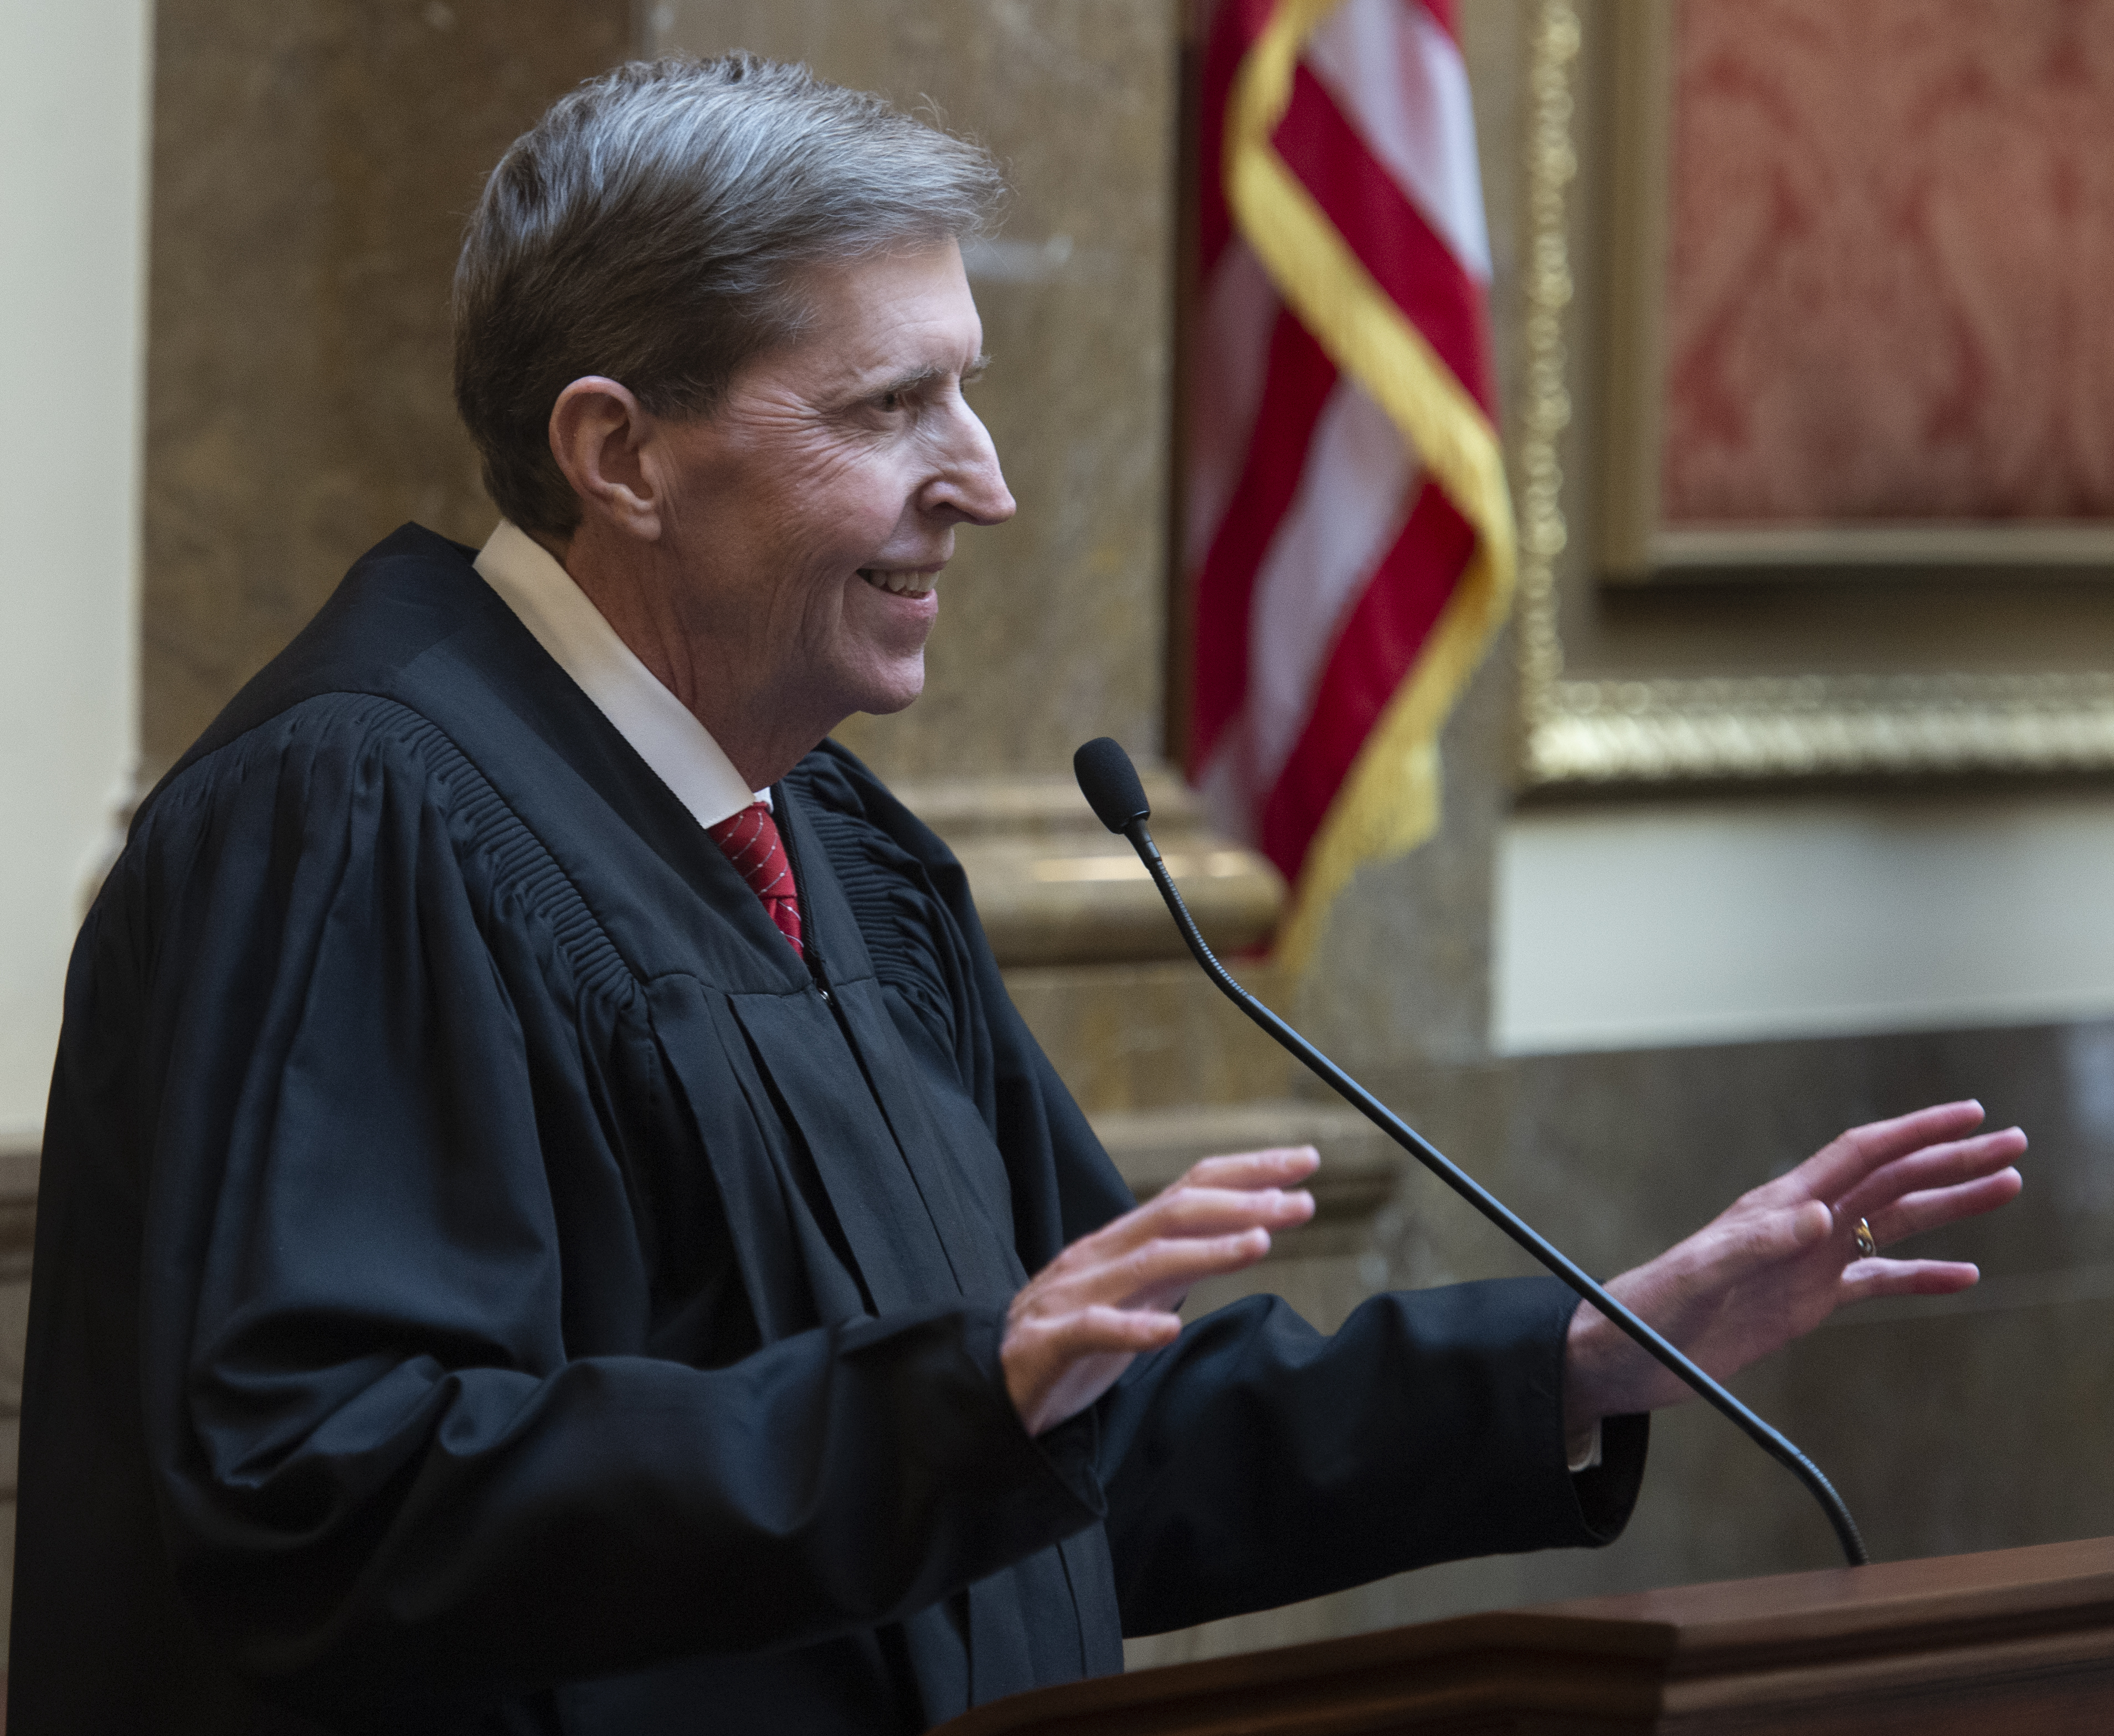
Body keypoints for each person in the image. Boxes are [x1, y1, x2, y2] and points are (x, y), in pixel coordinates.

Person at [9, 54, 2025, 1736]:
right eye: (889, 406)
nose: (982, 478)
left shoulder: (838, 844)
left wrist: (1565, 1362)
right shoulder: (355, 819)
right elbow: (325, 1498)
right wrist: (946, 1414)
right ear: (619, 455)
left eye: (963, 390)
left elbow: (1077, 1426)